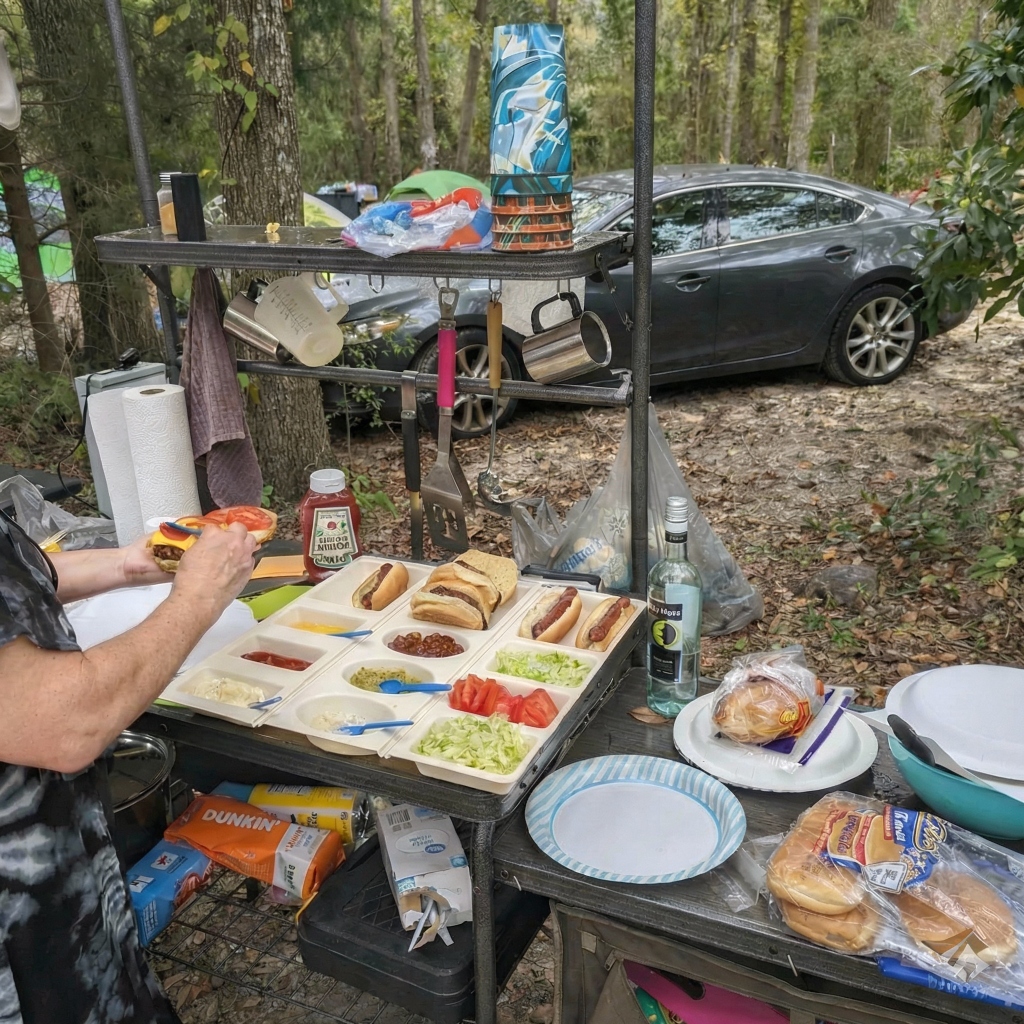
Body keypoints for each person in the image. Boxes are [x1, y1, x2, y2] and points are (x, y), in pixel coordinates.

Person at [0, 507, 257, 1024]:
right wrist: (198, 598)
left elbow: (16, 581)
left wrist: (125, 565)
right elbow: (64, 724)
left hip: (61, 874)